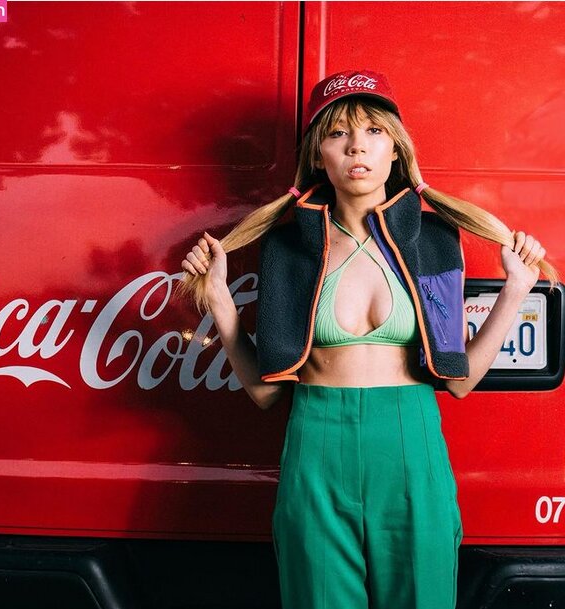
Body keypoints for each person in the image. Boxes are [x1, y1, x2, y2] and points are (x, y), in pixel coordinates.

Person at [175, 69, 559, 609]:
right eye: (338, 133)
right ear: (318, 155)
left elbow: (460, 382)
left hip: (410, 444)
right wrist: (219, 299)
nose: (357, 146)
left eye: (374, 131)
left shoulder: (434, 240)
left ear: (395, 149)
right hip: (315, 445)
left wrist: (516, 288)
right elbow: (265, 392)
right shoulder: (286, 247)